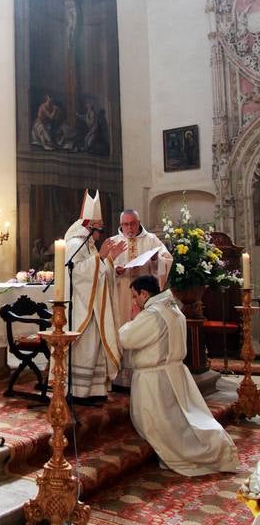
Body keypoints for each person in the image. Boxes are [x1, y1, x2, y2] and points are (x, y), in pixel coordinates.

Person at [120, 275, 239, 476]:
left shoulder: (152, 314)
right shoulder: (173, 309)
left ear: (144, 293)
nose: (135, 302)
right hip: (173, 372)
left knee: (164, 427)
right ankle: (215, 446)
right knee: (184, 418)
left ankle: (201, 451)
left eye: (135, 296)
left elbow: (127, 338)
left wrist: (131, 319)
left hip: (156, 379)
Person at [64, 190, 126, 404]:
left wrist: (109, 261)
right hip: (82, 308)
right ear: (89, 227)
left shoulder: (88, 244)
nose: (99, 235)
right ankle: (80, 391)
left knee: (94, 347)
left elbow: (97, 271)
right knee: (85, 347)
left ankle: (94, 389)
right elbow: (77, 274)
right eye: (98, 230)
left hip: (93, 307)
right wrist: (101, 257)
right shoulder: (74, 244)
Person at [106, 209, 173, 389]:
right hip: (120, 295)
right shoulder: (113, 242)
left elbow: (166, 259)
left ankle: (141, 375)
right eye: (125, 224)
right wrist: (114, 269)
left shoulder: (151, 240)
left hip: (144, 295)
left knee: (142, 330)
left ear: (139, 222)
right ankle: (120, 378)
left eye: (133, 223)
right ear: (120, 225)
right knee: (122, 329)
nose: (129, 227)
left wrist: (154, 260)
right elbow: (101, 267)